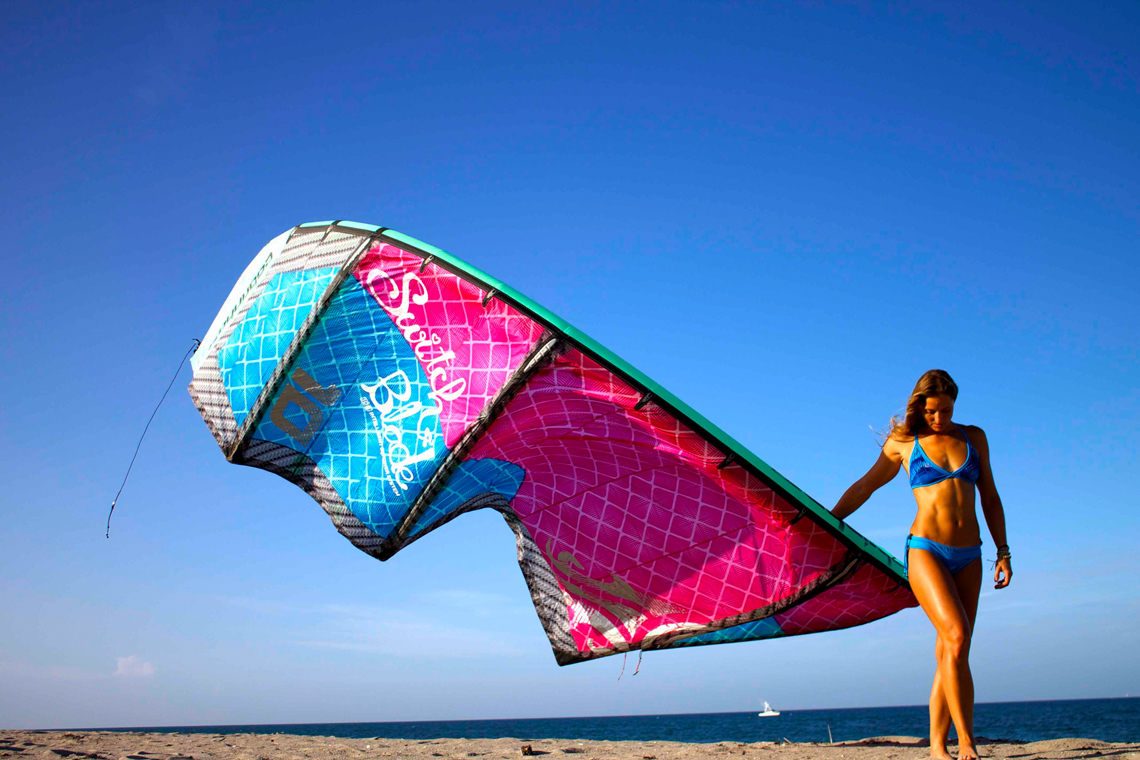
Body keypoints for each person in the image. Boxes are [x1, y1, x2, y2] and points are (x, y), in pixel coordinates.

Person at [831, 369, 1012, 760]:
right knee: (957, 636)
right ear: (919, 406)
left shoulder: (973, 437)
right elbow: (866, 485)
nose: (939, 418)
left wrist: (1004, 552)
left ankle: (935, 747)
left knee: (953, 649)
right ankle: (966, 742)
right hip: (926, 550)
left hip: (971, 555)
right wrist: (830, 520)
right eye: (931, 411)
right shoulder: (905, 441)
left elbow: (991, 498)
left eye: (945, 410)